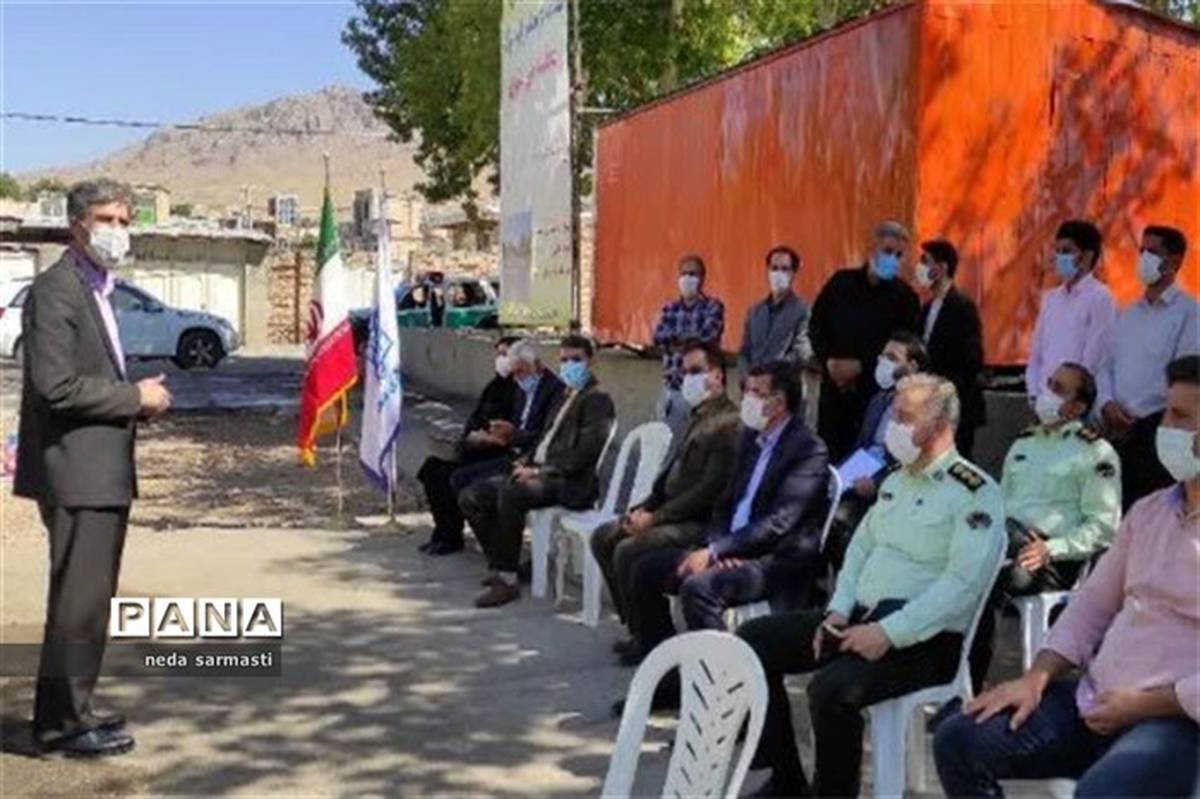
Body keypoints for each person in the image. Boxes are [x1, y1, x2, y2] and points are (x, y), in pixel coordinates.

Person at [934, 356, 1200, 799]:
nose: (1165, 428)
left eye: (1181, 417)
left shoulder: (1094, 455)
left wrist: (1146, 704)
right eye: (1166, 413)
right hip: (1095, 699)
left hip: (1173, 722)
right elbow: (1092, 605)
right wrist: (1036, 677)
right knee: (960, 739)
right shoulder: (1150, 513)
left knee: (1098, 793)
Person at [738, 374, 1004, 798]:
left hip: (926, 639)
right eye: (893, 414)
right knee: (753, 641)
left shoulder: (974, 492)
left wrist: (888, 632)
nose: (892, 426)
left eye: (904, 417)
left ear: (939, 426)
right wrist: (838, 610)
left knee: (831, 691)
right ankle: (786, 781)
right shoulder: (896, 480)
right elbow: (860, 550)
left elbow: (961, 588)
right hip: (859, 617)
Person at [15, 179, 173, 757]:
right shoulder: (57, 290)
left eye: (126, 221)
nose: (118, 231)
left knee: (89, 602)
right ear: (77, 223)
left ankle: (74, 708)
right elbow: (54, 387)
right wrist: (135, 398)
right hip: (76, 472)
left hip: (99, 470)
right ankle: (59, 726)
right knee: (77, 604)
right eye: (107, 219)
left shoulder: (97, 287)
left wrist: (136, 399)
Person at [621, 361, 830, 703]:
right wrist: (715, 546)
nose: (747, 399)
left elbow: (780, 521)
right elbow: (725, 501)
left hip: (774, 561)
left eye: (756, 393)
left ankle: (724, 695)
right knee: (644, 569)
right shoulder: (750, 437)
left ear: (779, 403)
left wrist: (721, 552)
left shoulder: (808, 450)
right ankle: (672, 682)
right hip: (729, 548)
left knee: (698, 589)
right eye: (746, 390)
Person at [969, 362, 1121, 691]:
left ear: (1077, 408)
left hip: (1053, 558)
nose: (1047, 392)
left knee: (990, 578)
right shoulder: (1024, 443)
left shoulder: (1095, 453)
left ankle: (973, 679)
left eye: (1058, 389)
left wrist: (1050, 548)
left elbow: (1103, 528)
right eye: (1049, 383)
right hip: (1008, 542)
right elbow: (1001, 505)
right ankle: (961, 680)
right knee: (968, 563)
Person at [591, 341, 740, 665]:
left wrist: (655, 518)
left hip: (696, 522)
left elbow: (708, 491)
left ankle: (656, 643)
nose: (688, 380)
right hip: (669, 513)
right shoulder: (696, 416)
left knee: (628, 550)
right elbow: (669, 474)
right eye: (684, 372)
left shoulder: (729, 424)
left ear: (717, 376)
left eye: (696, 371)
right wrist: (644, 507)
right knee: (603, 537)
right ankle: (639, 628)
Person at [459, 335, 615, 608]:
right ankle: (505, 563)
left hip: (568, 481)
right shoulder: (564, 394)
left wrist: (540, 471)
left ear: (591, 361)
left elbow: (585, 454)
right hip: (539, 470)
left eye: (576, 359)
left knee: (512, 492)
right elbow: (544, 438)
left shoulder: (597, 399)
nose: (569, 365)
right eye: (564, 360)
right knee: (472, 496)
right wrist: (526, 462)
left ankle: (507, 581)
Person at [1099, 225, 1198, 510]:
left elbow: (1184, 375)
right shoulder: (1127, 315)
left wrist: (1141, 414)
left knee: (1151, 511)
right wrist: (1107, 403)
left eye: (1153, 252)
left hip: (1155, 429)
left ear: (1175, 261)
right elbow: (1105, 365)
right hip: (1116, 431)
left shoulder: (1190, 313)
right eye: (1142, 251)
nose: (1144, 258)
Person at [809, 221, 921, 462]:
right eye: (887, 251)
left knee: (864, 464)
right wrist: (828, 361)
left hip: (874, 398)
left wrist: (862, 365)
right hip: (833, 395)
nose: (892, 259)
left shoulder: (905, 299)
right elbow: (817, 325)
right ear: (871, 249)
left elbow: (905, 348)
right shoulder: (840, 284)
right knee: (828, 461)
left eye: (898, 255)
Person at [824, 330, 930, 572]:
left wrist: (878, 484)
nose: (883, 362)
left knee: (841, 521)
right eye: (882, 356)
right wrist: (840, 474)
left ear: (912, 366)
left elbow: (916, 462)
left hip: (892, 489)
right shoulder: (879, 400)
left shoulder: (925, 409)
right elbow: (862, 446)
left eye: (892, 357)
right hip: (860, 473)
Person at [416, 336, 522, 555]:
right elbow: (476, 419)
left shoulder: (521, 390)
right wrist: (472, 436)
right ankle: (444, 533)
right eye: (498, 354)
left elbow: (515, 429)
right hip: (477, 447)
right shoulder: (494, 386)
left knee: (452, 475)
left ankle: (452, 538)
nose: (500, 359)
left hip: (500, 453)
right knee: (432, 469)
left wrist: (491, 437)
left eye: (505, 354)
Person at [1025, 220, 1116, 406]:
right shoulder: (1050, 299)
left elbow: (1093, 360)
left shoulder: (1100, 297)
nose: (1059, 257)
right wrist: (1034, 393)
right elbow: (1036, 354)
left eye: (1066, 251)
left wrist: (1071, 399)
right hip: (1043, 401)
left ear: (1087, 256)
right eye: (1057, 251)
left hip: (1074, 404)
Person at [917, 239, 986, 458]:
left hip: (956, 404)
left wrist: (944, 393)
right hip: (928, 404)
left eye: (925, 261)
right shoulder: (926, 308)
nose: (920, 267)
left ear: (942, 267)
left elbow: (971, 359)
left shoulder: (962, 307)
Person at [651, 255, 725, 442]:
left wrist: (676, 340)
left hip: (701, 389)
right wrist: (689, 339)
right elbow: (658, 337)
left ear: (702, 278)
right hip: (672, 387)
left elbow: (706, 337)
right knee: (667, 444)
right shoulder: (670, 309)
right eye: (683, 273)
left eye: (693, 274)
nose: (687, 278)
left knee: (699, 444)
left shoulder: (713, 307)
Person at [737, 246, 811, 377]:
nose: (778, 274)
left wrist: (770, 376)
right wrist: (746, 379)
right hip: (752, 384)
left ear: (793, 273)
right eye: (774, 268)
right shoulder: (754, 312)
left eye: (784, 269)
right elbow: (744, 352)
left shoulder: (803, 311)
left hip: (784, 385)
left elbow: (801, 353)